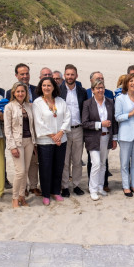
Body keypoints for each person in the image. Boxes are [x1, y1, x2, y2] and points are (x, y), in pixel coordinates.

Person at [33, 76, 71, 205]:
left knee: (58, 166)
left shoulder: (60, 101)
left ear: (54, 87)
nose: (46, 88)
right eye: (44, 85)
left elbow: (67, 117)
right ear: (40, 87)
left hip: (61, 139)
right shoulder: (37, 103)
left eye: (49, 85)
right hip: (45, 141)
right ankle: (46, 193)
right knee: (46, 168)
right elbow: (39, 122)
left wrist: (60, 133)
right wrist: (53, 136)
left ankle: (56, 191)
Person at [6, 63, 39, 196]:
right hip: (17, 139)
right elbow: (8, 125)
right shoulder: (9, 99)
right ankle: (19, 193)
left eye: (27, 73)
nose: (25, 76)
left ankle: (32, 187)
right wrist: (12, 145)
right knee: (20, 170)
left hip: (31, 138)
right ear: (16, 75)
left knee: (31, 165)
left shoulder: (36, 91)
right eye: (22, 74)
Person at [83, 79, 118, 200]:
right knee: (96, 163)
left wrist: (114, 138)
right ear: (93, 90)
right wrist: (100, 124)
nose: (100, 90)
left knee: (103, 164)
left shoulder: (110, 102)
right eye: (98, 88)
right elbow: (85, 123)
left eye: (102, 87)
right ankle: (92, 189)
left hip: (106, 138)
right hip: (93, 139)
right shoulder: (87, 103)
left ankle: (100, 187)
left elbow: (113, 122)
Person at [4, 82, 36, 208]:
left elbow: (33, 126)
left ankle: (22, 197)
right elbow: (7, 129)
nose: (20, 94)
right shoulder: (9, 107)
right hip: (17, 142)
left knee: (26, 170)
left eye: (22, 91)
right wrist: (12, 146)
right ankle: (15, 198)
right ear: (13, 93)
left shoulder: (29, 106)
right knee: (20, 171)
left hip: (29, 141)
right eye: (18, 91)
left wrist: (35, 144)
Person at [58, 64, 87, 197]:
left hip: (78, 129)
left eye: (72, 74)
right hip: (64, 130)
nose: (70, 77)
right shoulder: (58, 90)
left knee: (77, 160)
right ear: (64, 76)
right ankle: (64, 186)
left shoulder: (82, 91)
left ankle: (76, 185)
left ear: (76, 76)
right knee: (64, 160)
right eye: (67, 74)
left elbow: (85, 110)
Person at [115, 73, 134, 197]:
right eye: (131, 81)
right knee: (125, 162)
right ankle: (126, 186)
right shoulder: (121, 98)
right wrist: (131, 114)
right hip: (126, 132)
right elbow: (117, 117)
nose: (133, 83)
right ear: (126, 83)